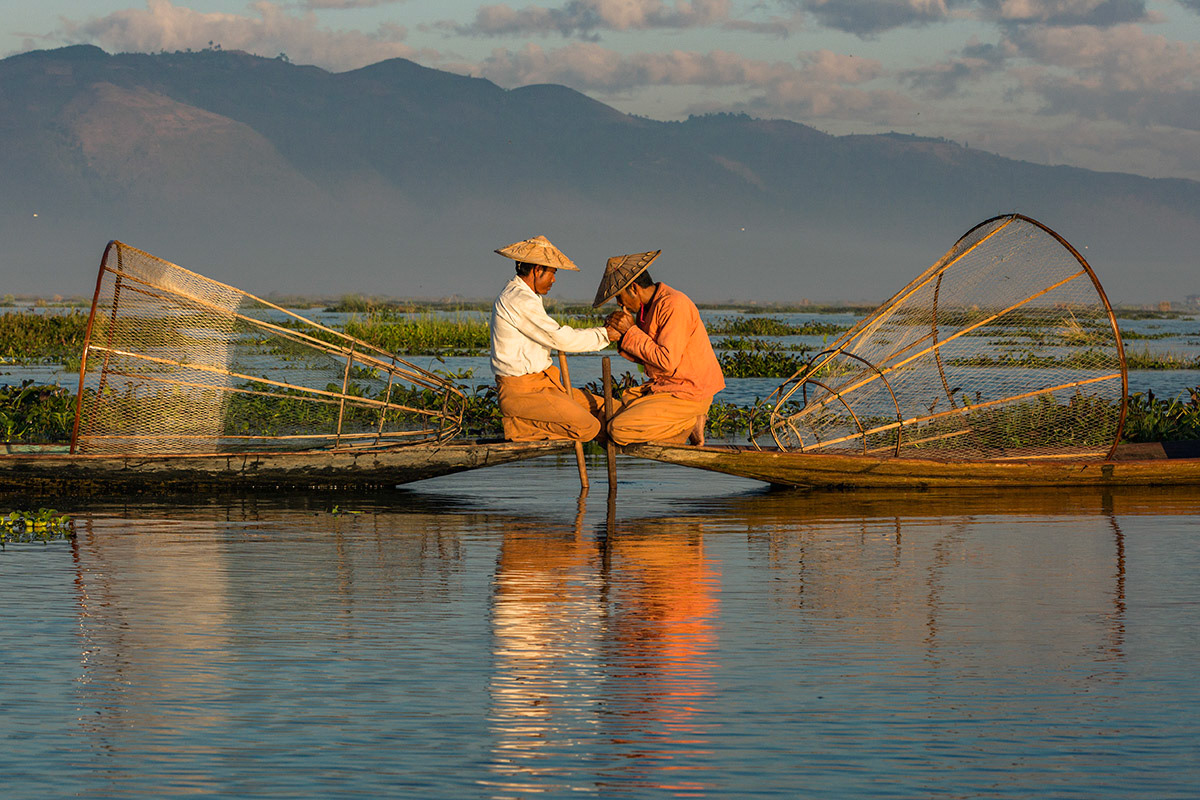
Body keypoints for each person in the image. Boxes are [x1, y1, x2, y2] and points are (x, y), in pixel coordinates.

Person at [491, 235, 619, 442]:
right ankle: (518, 425)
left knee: (611, 408)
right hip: (523, 393)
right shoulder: (518, 299)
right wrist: (604, 334)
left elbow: (554, 335)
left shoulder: (528, 297)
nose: (554, 280)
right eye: (552, 273)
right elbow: (559, 338)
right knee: (588, 427)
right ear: (537, 270)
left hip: (545, 386)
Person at [593, 250, 724, 446]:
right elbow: (649, 355)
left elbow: (666, 361)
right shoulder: (647, 309)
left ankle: (689, 421)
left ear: (634, 288)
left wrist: (631, 331)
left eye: (619, 297)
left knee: (618, 429)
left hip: (687, 392)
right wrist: (622, 336)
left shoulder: (673, 305)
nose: (620, 304)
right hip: (668, 388)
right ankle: (683, 422)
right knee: (611, 419)